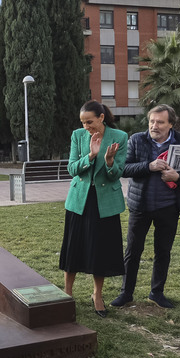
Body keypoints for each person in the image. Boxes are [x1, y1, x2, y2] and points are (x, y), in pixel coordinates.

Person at [111, 104, 180, 309]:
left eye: (160, 122)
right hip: (140, 205)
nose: (155, 126)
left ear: (170, 124)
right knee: (133, 251)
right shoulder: (136, 140)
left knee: (163, 251)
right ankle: (126, 293)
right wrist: (148, 166)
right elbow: (123, 168)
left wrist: (178, 176)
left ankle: (156, 292)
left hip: (169, 206)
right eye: (152, 121)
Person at [60, 100, 127, 317]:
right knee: (73, 248)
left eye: (89, 121)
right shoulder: (78, 136)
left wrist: (108, 161)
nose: (86, 126)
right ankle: (67, 293)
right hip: (79, 200)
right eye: (82, 122)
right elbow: (72, 168)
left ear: (101, 117)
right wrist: (90, 156)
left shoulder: (120, 138)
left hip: (105, 203)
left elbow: (117, 173)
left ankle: (97, 295)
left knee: (100, 251)